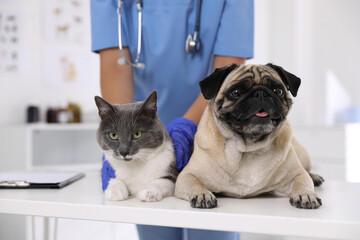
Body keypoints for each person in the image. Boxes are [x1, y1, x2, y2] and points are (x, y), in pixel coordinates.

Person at [91, 0, 254, 239]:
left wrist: (185, 129)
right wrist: (120, 130)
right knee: (155, 224)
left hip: (213, 135)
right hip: (143, 147)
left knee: (212, 229)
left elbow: (228, 73)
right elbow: (116, 68)